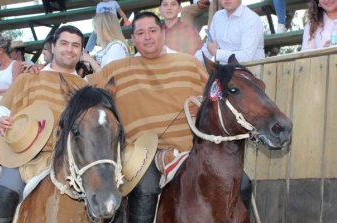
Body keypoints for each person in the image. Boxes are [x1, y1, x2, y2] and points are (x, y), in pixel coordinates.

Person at [88, 11, 253, 223]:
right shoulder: (117, 70)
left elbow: (216, 101)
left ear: (163, 32)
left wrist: (202, 108)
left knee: (243, 183)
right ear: (133, 39)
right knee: (145, 189)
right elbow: (82, 90)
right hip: (143, 154)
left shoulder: (190, 64)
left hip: (192, 149)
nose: (147, 36)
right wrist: (43, 70)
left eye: (152, 30)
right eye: (140, 32)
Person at [0, 25, 87, 223]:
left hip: (71, 160)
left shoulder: (87, 87)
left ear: (81, 52)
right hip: (25, 156)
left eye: (76, 45)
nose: (69, 49)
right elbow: (2, 109)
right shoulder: (27, 79)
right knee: (4, 194)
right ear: (53, 47)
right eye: (64, 43)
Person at [194, 0, 265, 64]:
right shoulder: (218, 16)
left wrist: (216, 53)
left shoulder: (251, 19)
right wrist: (191, 60)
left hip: (250, 73)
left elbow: (246, 57)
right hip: (225, 73)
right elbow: (209, 48)